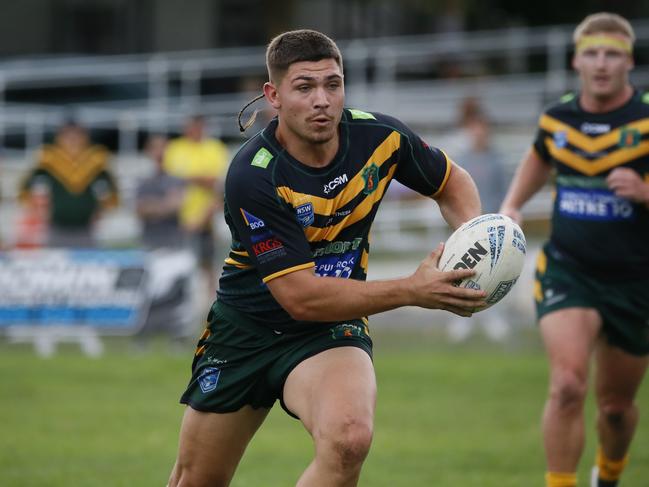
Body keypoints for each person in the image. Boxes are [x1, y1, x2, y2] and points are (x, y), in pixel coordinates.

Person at [168, 29, 487, 487]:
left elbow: (452, 182)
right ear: (274, 96)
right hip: (246, 330)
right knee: (197, 480)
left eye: (332, 84)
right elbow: (300, 297)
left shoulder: (381, 138)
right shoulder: (252, 174)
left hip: (331, 329)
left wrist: (474, 237)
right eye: (304, 87)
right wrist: (412, 290)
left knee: (349, 439)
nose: (322, 100)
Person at [499, 13, 649, 487]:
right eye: (592, 53)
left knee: (616, 409)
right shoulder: (558, 117)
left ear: (629, 61)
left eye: (612, 54)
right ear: (575, 61)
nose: (601, 63)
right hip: (569, 270)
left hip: (635, 282)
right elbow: (541, 155)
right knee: (566, 386)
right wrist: (512, 205)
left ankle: (608, 474)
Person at [447, 99, 511, 342]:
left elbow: (503, 193)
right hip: (466, 230)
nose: (478, 132)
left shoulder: (495, 160)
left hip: (493, 229)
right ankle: (459, 320)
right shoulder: (462, 159)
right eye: (474, 127)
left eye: (482, 127)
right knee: (460, 275)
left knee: (494, 274)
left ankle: (495, 319)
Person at [18, 121, 119, 248]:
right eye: (68, 136)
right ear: (59, 137)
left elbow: (110, 192)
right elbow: (28, 188)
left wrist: (101, 210)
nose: (73, 140)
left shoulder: (95, 159)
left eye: (77, 135)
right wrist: (39, 211)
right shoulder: (50, 158)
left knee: (87, 264)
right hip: (57, 227)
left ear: (85, 137)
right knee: (56, 263)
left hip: (86, 228)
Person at [163, 115, 229, 295]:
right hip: (178, 217)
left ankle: (209, 302)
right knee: (177, 263)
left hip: (206, 217)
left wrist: (189, 177)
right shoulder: (175, 148)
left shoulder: (214, 148)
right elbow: (172, 181)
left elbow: (216, 183)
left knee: (208, 263)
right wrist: (202, 178)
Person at [136, 135, 186, 249]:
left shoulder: (176, 178)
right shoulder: (142, 180)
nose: (160, 152)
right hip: (149, 244)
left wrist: (151, 205)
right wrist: (165, 204)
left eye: (163, 147)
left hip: (173, 244)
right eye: (155, 148)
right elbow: (140, 210)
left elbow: (176, 206)